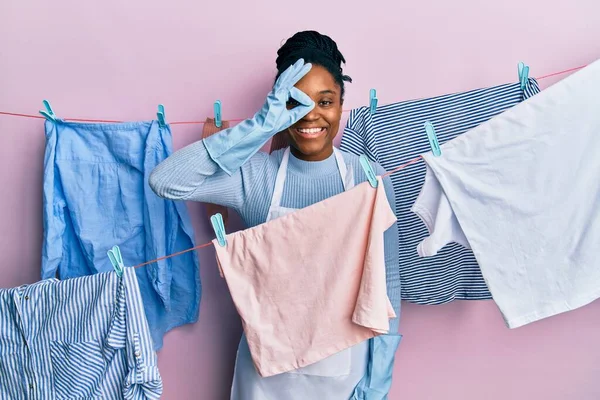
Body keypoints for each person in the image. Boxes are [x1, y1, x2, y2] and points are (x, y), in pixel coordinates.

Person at [149, 30, 401, 400]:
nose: (311, 115)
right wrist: (262, 123)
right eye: (295, 102)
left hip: (346, 375)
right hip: (266, 380)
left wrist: (377, 382)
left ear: (341, 105)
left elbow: (388, 284)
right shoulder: (257, 177)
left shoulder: (369, 177)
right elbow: (165, 182)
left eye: (325, 101)